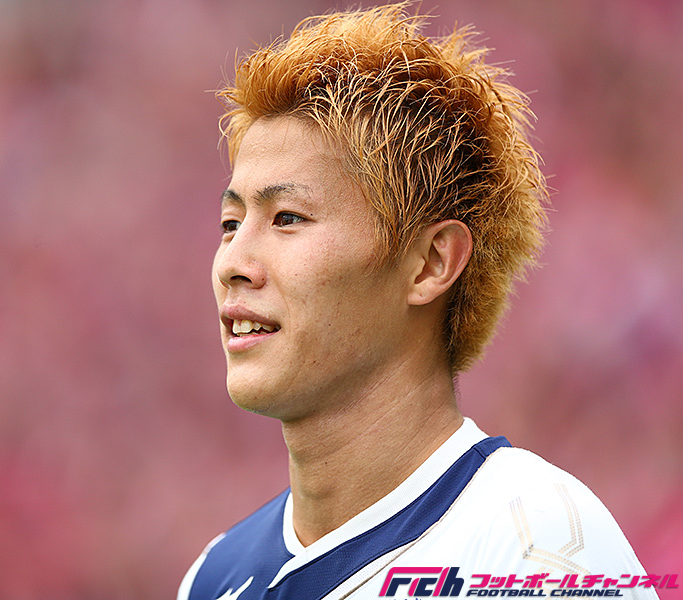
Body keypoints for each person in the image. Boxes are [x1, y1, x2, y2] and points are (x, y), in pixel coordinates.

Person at [178, 5, 658, 600]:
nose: (232, 263)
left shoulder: (538, 550)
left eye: (288, 218)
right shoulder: (214, 576)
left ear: (431, 263)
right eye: (230, 223)